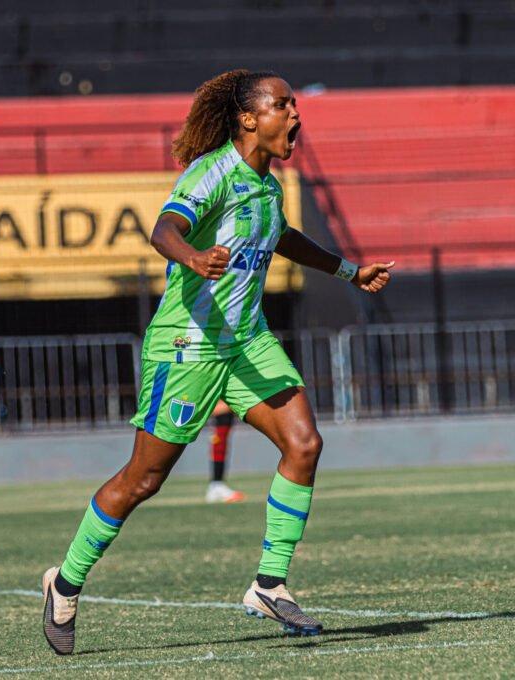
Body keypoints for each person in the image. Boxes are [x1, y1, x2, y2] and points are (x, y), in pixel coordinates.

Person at [40, 69, 394, 655]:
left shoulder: (268, 185)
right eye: (283, 105)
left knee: (303, 444)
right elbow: (165, 228)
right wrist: (193, 256)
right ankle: (66, 582)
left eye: (296, 105)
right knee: (144, 480)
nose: (296, 116)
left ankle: (269, 583)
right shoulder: (212, 173)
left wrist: (349, 271)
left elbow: (283, 237)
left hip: (245, 341)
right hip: (188, 345)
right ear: (250, 117)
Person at [205, 399, 244, 503]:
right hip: (218, 421)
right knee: (219, 447)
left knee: (222, 447)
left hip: (224, 421)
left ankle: (217, 485)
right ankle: (216, 486)